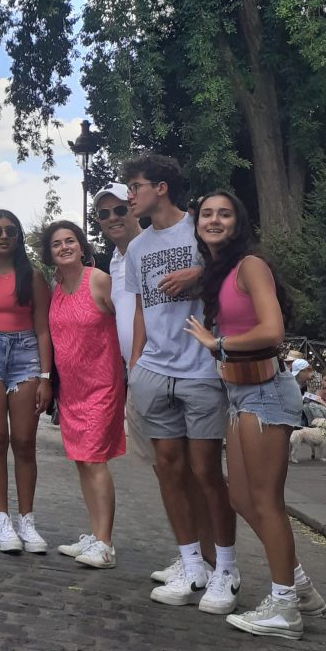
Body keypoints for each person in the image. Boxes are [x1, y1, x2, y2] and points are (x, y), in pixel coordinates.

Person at [184, 190, 326, 639]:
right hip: (239, 393)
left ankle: (284, 606)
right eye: (207, 214)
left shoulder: (250, 265)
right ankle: (300, 587)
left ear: (238, 221)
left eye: (224, 214)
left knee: (266, 501)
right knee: (242, 499)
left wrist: (218, 343)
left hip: (265, 391)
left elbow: (272, 330)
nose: (214, 220)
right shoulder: (221, 272)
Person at [75, 183, 217, 582]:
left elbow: (231, 266)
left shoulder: (181, 236)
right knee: (166, 471)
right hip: (144, 375)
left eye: (120, 208)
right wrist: (131, 369)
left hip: (190, 369)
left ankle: (209, 559)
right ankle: (190, 556)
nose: (113, 218)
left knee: (199, 474)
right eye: (103, 214)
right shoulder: (118, 262)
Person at [122, 153, 239, 614]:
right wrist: (135, 369)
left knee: (207, 472)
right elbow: (139, 311)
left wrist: (202, 273)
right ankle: (192, 565)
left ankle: (225, 569)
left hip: (201, 370)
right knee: (169, 468)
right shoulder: (136, 248)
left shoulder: (201, 228)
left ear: (162, 187)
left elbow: (237, 275)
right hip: (154, 370)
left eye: (135, 186)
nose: (130, 195)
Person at [43, 221, 124, 567]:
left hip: (102, 384)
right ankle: (94, 533)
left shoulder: (99, 279)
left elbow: (127, 321)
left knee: (94, 459)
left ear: (81, 245)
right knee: (81, 460)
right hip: (72, 389)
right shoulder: (56, 287)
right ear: (49, 253)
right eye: (57, 243)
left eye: (70, 240)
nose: (64, 247)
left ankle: (105, 544)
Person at [0, 209, 53, 554]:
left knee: (23, 441)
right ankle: (1, 518)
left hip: (26, 356)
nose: (3, 236)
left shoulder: (32, 276)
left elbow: (43, 328)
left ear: (18, 237)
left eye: (10, 230)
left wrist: (46, 377)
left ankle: (26, 519)